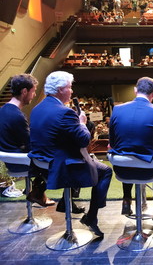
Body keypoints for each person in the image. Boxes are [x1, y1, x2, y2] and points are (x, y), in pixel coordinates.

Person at [28, 71, 112, 239]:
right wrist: (81, 123)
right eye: (69, 87)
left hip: (42, 164)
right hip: (61, 167)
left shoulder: (37, 109)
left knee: (88, 160)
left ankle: (69, 205)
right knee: (105, 171)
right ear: (60, 89)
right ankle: (91, 217)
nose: (72, 91)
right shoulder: (65, 112)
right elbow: (83, 140)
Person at [109, 77, 153, 225]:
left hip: (122, 170)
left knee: (127, 154)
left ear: (135, 90)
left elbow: (113, 142)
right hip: (149, 171)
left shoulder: (117, 109)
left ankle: (126, 198)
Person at [0, 74, 55, 207]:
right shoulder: (17, 116)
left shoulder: (3, 110)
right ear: (24, 91)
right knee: (60, 160)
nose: (35, 94)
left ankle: (37, 192)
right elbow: (30, 144)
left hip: (10, 160)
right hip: (21, 162)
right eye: (33, 91)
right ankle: (37, 193)